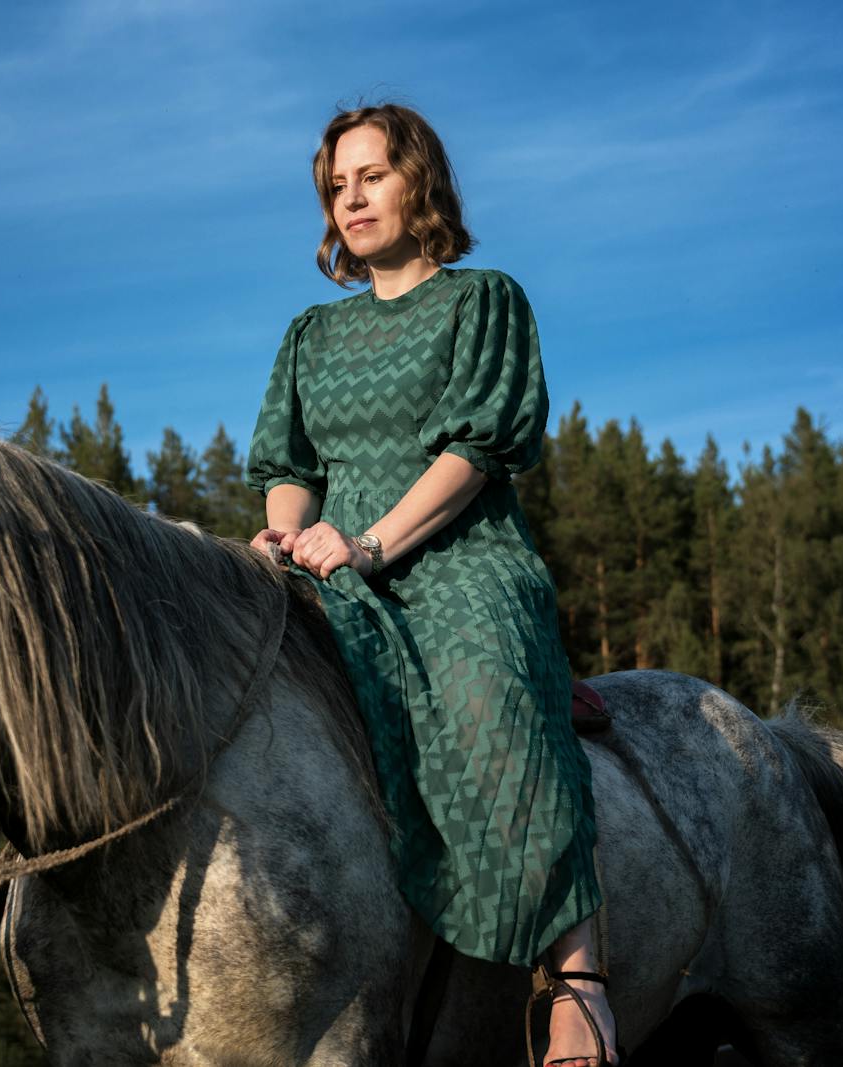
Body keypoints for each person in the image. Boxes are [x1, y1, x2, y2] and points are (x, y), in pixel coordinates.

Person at [246, 104, 618, 1067]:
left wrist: (370, 542)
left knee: (484, 689)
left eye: (372, 175)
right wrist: (285, 539)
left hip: (456, 554)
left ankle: (579, 975)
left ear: (422, 184)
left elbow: (478, 452)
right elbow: (287, 462)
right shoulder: (309, 334)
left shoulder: (482, 299)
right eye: (337, 184)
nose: (352, 197)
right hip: (332, 557)